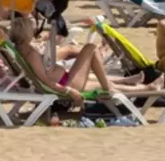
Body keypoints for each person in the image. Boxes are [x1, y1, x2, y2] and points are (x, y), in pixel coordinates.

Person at [8, 15, 154, 104]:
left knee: (98, 83)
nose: (35, 31)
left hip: (65, 79)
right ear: (26, 32)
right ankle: (114, 87)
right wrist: (69, 91)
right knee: (90, 48)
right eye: (32, 29)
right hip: (66, 83)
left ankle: (146, 88)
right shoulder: (31, 54)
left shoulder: (22, 49)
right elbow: (46, 81)